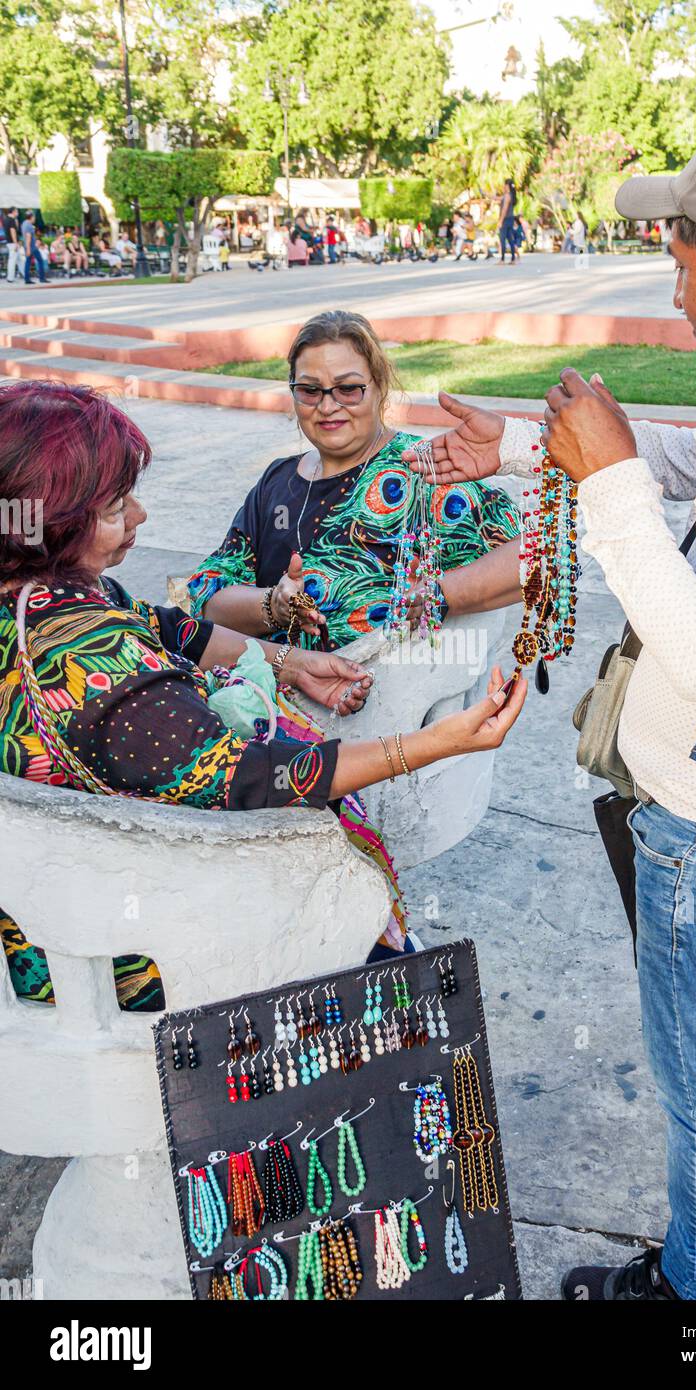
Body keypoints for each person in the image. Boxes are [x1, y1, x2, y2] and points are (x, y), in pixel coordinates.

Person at [407, 118, 696, 1304]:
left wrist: (602, 478)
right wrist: (529, 448)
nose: (671, 288)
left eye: (676, 260)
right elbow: (690, 464)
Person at [0, 379, 527, 1010]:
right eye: (115, 508)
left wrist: (286, 662)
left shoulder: (46, 597)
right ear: (48, 524)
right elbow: (260, 778)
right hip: (135, 954)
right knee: (394, 971)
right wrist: (434, 743)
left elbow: (171, 627)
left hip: (51, 917)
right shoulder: (93, 667)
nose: (140, 517)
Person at [187, 310, 523, 652]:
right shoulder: (278, 480)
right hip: (267, 692)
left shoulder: (421, 471)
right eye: (309, 390)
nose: (328, 406)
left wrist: (439, 595)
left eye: (348, 389)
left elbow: (539, 558)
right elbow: (209, 599)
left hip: (379, 696)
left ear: (380, 387)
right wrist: (273, 605)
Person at [21, 210, 46, 285]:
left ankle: (27, 279)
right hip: (31, 247)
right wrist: (29, 249)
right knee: (40, 260)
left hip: (27, 246)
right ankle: (42, 278)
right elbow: (28, 237)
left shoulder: (24, 223)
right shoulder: (29, 225)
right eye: (34, 217)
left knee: (27, 262)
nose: (34, 218)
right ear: (31, 217)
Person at [498, 179, 518, 264]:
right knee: (510, 239)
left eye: (504, 185)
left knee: (502, 239)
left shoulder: (507, 196)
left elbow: (504, 209)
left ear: (507, 186)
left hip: (505, 219)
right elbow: (496, 198)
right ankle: (513, 259)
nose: (503, 186)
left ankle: (502, 260)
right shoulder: (510, 195)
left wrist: (500, 221)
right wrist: (485, 194)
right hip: (510, 219)